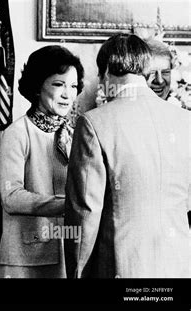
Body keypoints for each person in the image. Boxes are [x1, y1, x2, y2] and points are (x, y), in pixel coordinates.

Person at [65, 34, 191, 278]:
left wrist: (77, 274)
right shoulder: (186, 121)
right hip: (179, 268)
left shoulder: (94, 123)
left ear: (106, 72)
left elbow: (84, 212)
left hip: (120, 269)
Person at [0, 46, 84, 278]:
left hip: (68, 254)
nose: (68, 94)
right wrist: (69, 205)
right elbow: (11, 198)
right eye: (59, 84)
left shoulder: (76, 135)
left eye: (73, 86)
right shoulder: (17, 133)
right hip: (25, 259)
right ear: (37, 86)